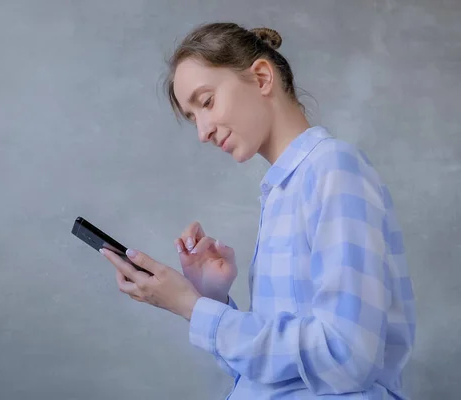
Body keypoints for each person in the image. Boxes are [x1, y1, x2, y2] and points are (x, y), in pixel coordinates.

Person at [100, 22, 416, 399]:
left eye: (207, 102)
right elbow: (272, 373)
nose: (203, 131)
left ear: (262, 77)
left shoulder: (333, 169)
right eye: (192, 118)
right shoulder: (283, 190)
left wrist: (192, 307)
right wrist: (212, 298)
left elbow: (346, 358)